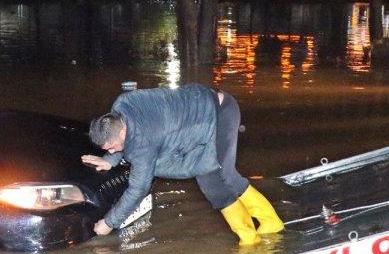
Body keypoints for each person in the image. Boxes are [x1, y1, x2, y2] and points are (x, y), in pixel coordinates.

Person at [82, 83, 283, 245]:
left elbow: (138, 189)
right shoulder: (121, 105)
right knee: (227, 176)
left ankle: (251, 242)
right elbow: (126, 142)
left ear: (122, 131)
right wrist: (110, 160)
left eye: (112, 147)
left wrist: (109, 223)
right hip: (205, 108)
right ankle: (271, 223)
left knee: (213, 182)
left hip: (220, 116)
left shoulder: (144, 142)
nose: (112, 150)